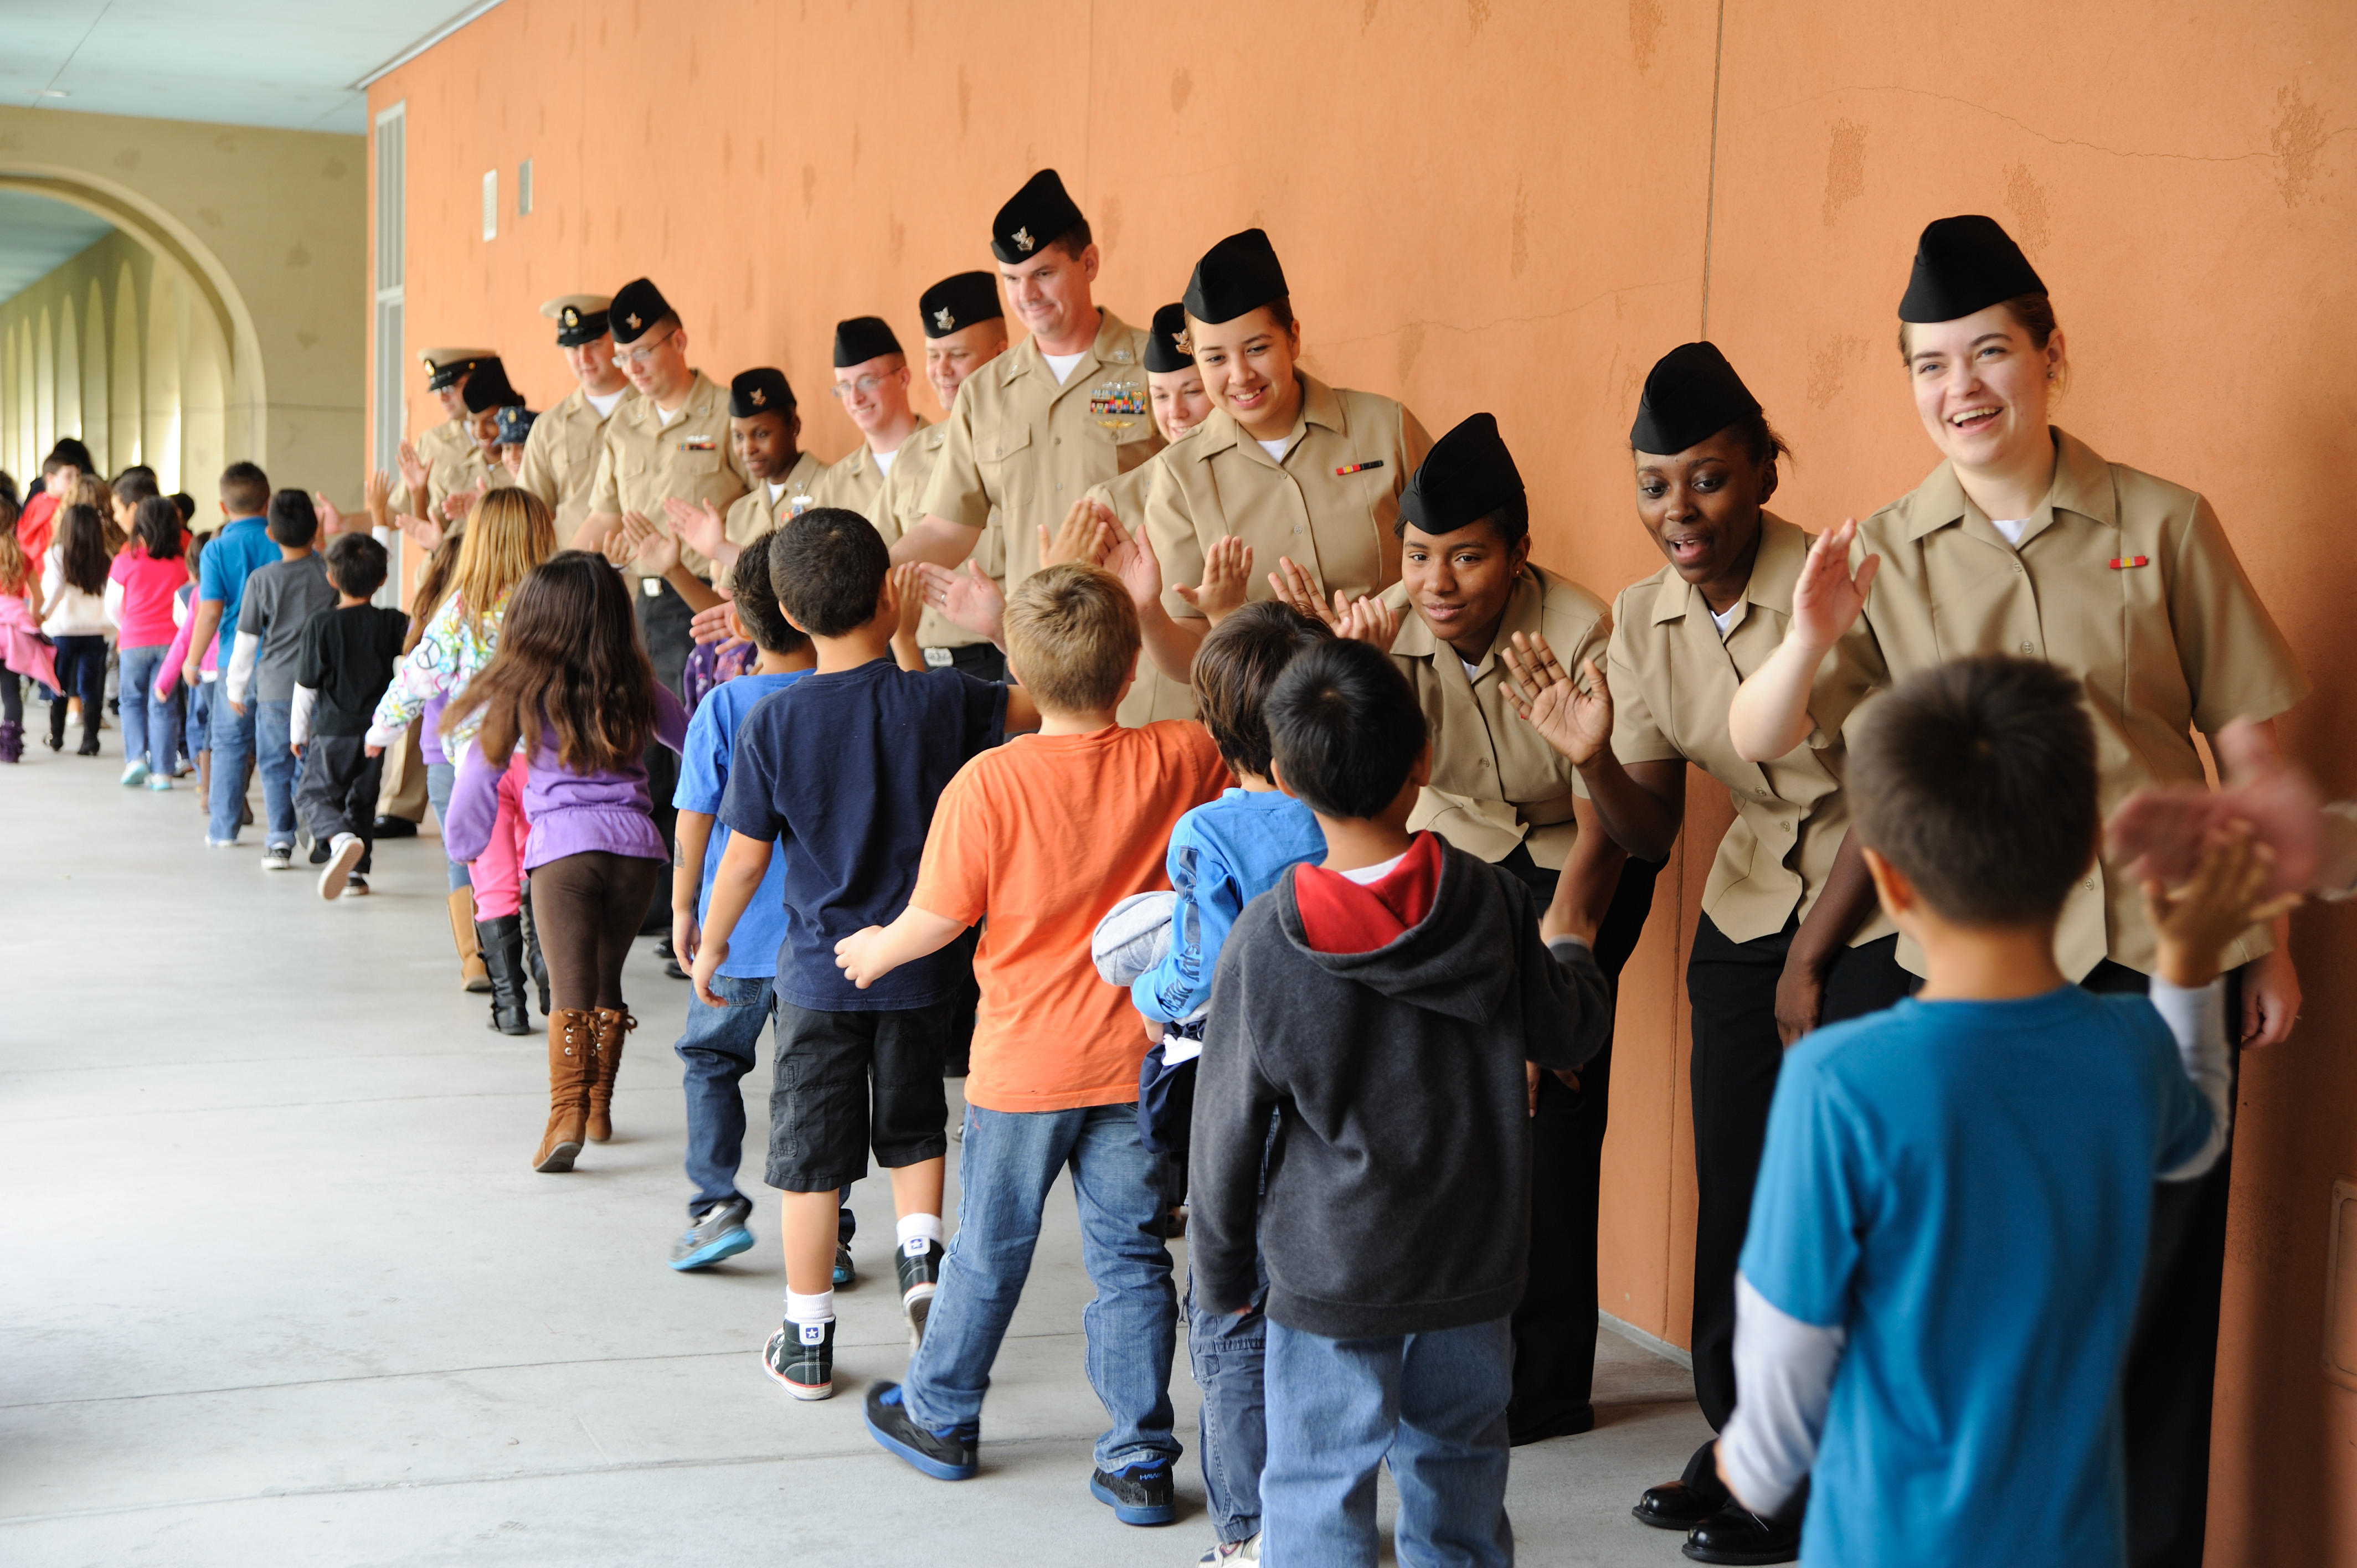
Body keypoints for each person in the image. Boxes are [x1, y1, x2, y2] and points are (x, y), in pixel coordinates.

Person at [1723, 215, 2309, 1568]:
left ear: (2052, 354)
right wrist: (1810, 628)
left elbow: (2253, 746)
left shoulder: (2163, 523)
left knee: (2156, 1296)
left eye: (1990, 352)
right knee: (1983, 1299)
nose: (1961, 388)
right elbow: (1762, 733)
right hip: (1977, 965)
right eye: (1931, 365)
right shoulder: (1883, 551)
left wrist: (2264, 942)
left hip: (2166, 954)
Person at [1715, 655, 2281, 1568]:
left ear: (1891, 882)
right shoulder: (2129, 1049)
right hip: (2076, 1540)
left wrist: (1747, 1462)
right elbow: (2197, 1135)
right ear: (2080, 853)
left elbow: (1787, 1363)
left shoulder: (1837, 1081)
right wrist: (2183, 968)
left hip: (1885, 1542)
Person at [1495, 343, 1912, 1561]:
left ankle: (1827, 1468)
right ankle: (1741, 1445)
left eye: (1709, 479)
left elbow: (1885, 790)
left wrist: (1810, 962)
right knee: (1737, 1193)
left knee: (1847, 1203)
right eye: (1654, 484)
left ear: (1765, 470)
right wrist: (1588, 764)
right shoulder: (1639, 619)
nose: (1679, 510)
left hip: (1877, 901)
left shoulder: (1842, 587)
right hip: (1744, 910)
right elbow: (1650, 828)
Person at [1190, 637, 1612, 1568]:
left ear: (1287, 778)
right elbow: (1570, 1031)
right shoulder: (1495, 903)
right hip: (1471, 1262)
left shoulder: (1269, 938)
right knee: (1459, 1470)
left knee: (1315, 1482)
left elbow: (1224, 1125)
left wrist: (1222, 1280)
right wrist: (1572, 942)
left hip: (1331, 1272)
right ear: (1422, 761)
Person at [1282, 413, 1656, 1446]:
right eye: (1417, 556)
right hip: (1459, 854)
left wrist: (1557, 968)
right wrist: (1352, 679)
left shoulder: (1582, 628)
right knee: (1446, 1101)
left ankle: (1543, 1386)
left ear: (1519, 551)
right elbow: (1364, 796)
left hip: (1580, 858)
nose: (1437, 582)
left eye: (1467, 556)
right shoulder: (1388, 626)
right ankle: (1438, 1350)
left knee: (1554, 1102)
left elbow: (1605, 829)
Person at [843, 563, 1225, 1523]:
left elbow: (938, 914)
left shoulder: (990, 780)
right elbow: (1241, 723)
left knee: (990, 1248)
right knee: (1133, 1254)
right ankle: (1139, 1455)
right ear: (1133, 665)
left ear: (1012, 662)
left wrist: (876, 950)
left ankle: (940, 1412)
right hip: (1136, 1058)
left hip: (1021, 1067)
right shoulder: (1181, 753)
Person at [688, 510, 1023, 1399]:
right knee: (915, 1123)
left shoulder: (772, 723)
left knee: (809, 1159)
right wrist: (985, 629)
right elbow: (1035, 700)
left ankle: (806, 1339)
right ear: (888, 595)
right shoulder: (944, 701)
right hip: (922, 968)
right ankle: (922, 1265)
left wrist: (711, 937)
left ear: (791, 620)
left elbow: (748, 857)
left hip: (815, 978)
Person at [1125, 601, 1332, 1567]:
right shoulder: (1345, 815)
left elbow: (1201, 975)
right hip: (1331, 1088)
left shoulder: (1208, 831)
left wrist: (1143, 982)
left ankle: (1249, 1532)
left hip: (1233, 1094)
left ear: (1215, 726)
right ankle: (1323, 1511)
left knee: (1230, 1302)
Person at [442, 551, 688, 1172]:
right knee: (607, 980)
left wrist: (465, 842)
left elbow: (480, 769)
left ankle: (565, 1116)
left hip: (563, 854)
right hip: (636, 852)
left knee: (570, 988)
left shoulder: (522, 686)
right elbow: (693, 737)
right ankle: (599, 1105)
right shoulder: (636, 686)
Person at [1135, 230, 1430, 706]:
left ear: (1293, 337)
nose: (1240, 376)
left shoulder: (1385, 427)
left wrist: (1384, 617)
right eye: (1215, 358)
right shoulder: (1179, 475)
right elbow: (1188, 660)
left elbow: (1447, 552)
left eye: (1256, 348)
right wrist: (1153, 614)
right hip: (1273, 733)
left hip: (1404, 701)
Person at [891, 169, 1163, 602]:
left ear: (1089, 263)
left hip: (1141, 638)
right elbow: (947, 528)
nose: (1026, 295)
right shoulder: (982, 394)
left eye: (1043, 273)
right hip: (1036, 649)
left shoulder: (1155, 367)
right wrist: (871, 574)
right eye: (1012, 279)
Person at [662, 537, 816, 1272]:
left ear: (744, 622)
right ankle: (831, 1232)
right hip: (824, 943)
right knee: (813, 1080)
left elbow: (694, 819)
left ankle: (715, 1205)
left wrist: (683, 910)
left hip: (741, 936)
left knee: (711, 1060)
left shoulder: (724, 705)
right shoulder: (842, 698)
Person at [369, 489, 562, 1022]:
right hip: (546, 765)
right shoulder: (556, 604)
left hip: (480, 767)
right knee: (539, 871)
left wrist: (380, 731)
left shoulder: (460, 610)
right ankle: (551, 984)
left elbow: (415, 677)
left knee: (491, 876)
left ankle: (509, 1003)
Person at [574, 277, 754, 698]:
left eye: (642, 353)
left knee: (694, 741)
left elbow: (762, 504)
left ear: (679, 340)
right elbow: (604, 515)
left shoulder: (727, 414)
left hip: (706, 601)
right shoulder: (624, 424)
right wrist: (555, 574)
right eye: (622, 358)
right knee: (639, 742)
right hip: (641, 607)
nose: (632, 369)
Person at [1087, 300, 1218, 726]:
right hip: (1157, 721)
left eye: (1193, 391)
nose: (1175, 413)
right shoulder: (1112, 499)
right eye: (1160, 395)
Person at [905, 269, 1012, 680]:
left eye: (958, 354)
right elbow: (882, 541)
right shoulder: (916, 450)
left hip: (1011, 656)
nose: (942, 370)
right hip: (929, 666)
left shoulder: (1038, 434)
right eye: (934, 355)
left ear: (1001, 354)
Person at [292, 533, 409, 901]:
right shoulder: (392, 622)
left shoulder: (321, 624)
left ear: (331, 578)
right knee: (362, 799)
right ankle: (356, 875)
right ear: (382, 581)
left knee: (313, 795)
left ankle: (339, 839)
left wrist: (298, 733)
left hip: (332, 732)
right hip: (376, 732)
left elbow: (306, 686)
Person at [227, 491, 338, 870]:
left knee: (275, 766)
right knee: (312, 765)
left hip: (275, 691)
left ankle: (279, 841)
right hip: (322, 689)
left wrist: (235, 687)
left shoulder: (262, 580)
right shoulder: (328, 573)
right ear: (315, 529)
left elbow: (247, 640)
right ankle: (315, 830)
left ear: (270, 533)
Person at [184, 463, 282, 848]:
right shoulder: (281, 540)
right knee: (281, 744)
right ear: (268, 500)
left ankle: (223, 829)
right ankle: (286, 832)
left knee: (228, 742)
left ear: (223, 508)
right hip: (281, 660)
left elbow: (209, 612)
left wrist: (193, 663)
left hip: (232, 661)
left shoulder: (216, 549)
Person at [661, 368, 830, 578]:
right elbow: (724, 606)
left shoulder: (832, 485)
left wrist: (727, 551)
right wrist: (673, 570)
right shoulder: (741, 512)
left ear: (794, 426)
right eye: (738, 437)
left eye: (761, 434)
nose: (748, 448)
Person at [517, 294, 636, 536]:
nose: (583, 359)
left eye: (594, 344)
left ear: (616, 341)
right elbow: (529, 515)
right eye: (572, 348)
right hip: (571, 569)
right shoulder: (548, 427)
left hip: (643, 568)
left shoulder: (653, 409)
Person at [811, 316, 929, 537]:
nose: (855, 399)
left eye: (867, 381)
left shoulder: (950, 452)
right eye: (845, 387)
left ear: (903, 378)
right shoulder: (837, 482)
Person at [106, 495, 192, 789]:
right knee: (164, 703)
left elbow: (113, 606)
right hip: (171, 645)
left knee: (131, 700)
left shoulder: (124, 561)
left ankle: (136, 760)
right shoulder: (182, 565)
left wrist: (127, 626)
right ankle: (163, 773)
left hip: (134, 641)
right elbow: (186, 609)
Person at [37, 502, 112, 756]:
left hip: (64, 630)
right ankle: (90, 740)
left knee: (58, 683)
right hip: (97, 629)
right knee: (92, 685)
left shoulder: (58, 553)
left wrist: (42, 616)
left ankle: (56, 736)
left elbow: (57, 588)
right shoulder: (105, 557)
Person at [391, 349, 497, 525]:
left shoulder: (513, 434)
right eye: (438, 390)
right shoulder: (431, 440)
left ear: (479, 379)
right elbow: (401, 511)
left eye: (450, 387)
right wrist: (343, 522)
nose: (442, 398)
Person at [0, 493, 54, 762]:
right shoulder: (22, 557)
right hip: (13, 631)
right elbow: (38, 598)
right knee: (11, 690)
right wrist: (33, 623)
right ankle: (10, 746)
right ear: (12, 524)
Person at [19, 438, 94, 570]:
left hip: (31, 570)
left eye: (78, 475)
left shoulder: (36, 501)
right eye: (69, 476)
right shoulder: (59, 508)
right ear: (50, 479)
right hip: (48, 570)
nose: (76, 481)